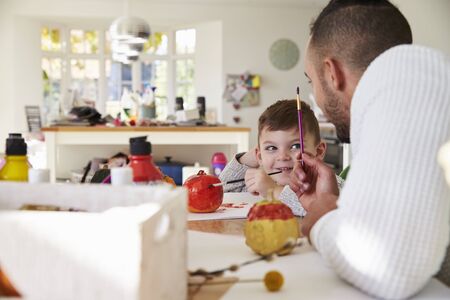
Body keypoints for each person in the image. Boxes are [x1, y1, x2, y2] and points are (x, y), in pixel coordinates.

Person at [289, 0, 450, 299]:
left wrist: (322, 220)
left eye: (313, 82)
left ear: (332, 72)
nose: (318, 101)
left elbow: (390, 267)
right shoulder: (406, 93)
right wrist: (332, 202)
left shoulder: (411, 79)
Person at [219, 99, 343, 216]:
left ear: (319, 151)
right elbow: (223, 189)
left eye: (295, 146)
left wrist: (273, 191)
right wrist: (250, 158)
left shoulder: (328, 183)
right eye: (272, 148)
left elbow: (332, 210)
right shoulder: (263, 183)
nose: (283, 157)